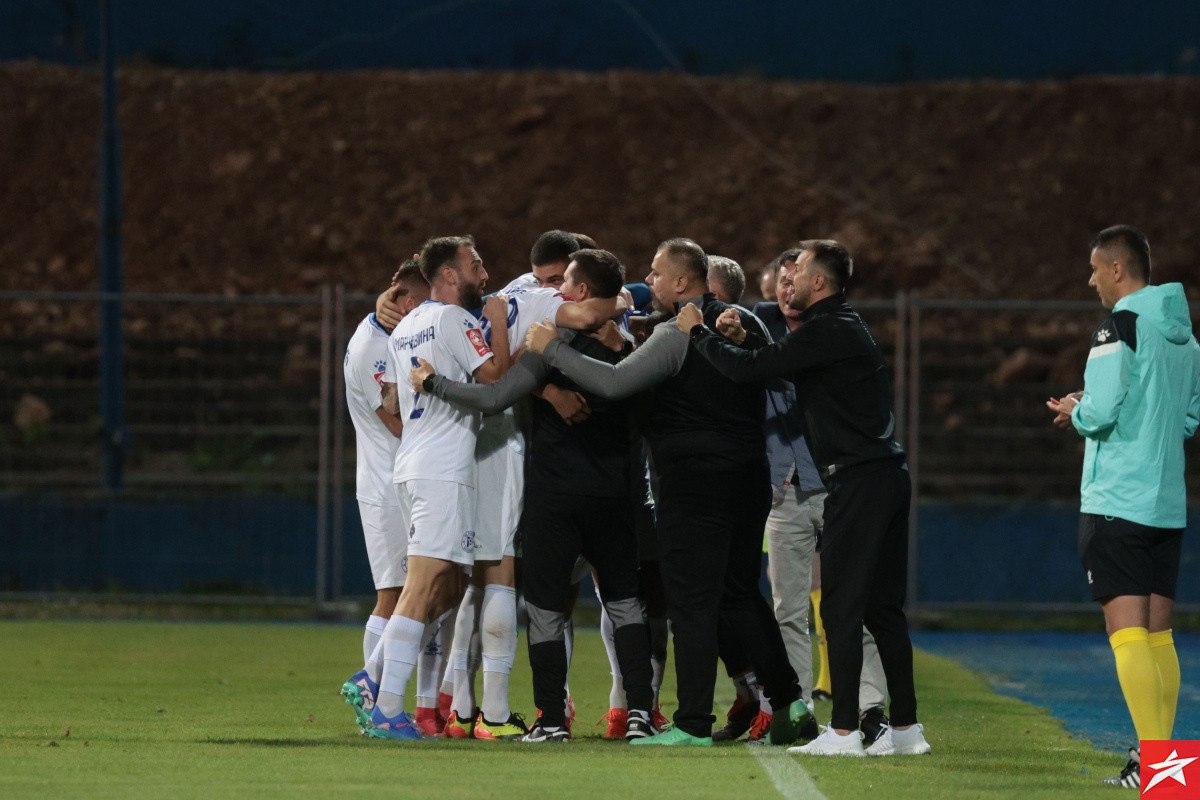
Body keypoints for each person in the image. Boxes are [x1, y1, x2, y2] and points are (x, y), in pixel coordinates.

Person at [525, 237, 811, 747]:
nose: (649, 281)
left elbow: (615, 384)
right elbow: (773, 373)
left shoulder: (678, 330)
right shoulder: (747, 322)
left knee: (692, 603)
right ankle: (790, 703)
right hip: (749, 480)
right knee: (740, 594)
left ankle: (692, 723)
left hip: (694, 485)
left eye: (657, 273)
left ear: (683, 282)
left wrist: (549, 353)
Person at [678, 239, 929, 757]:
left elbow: (754, 370)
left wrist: (698, 333)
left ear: (819, 283)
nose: (791, 277)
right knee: (882, 609)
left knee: (839, 605)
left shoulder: (828, 329)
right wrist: (744, 335)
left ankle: (842, 732)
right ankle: (905, 729)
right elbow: (777, 362)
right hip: (883, 474)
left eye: (801, 271)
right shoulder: (843, 327)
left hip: (856, 480)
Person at [413, 249, 657, 743]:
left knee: (545, 610)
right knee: (627, 606)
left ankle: (549, 720)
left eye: (565, 283)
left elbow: (493, 396)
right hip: (614, 497)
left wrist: (433, 383)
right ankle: (639, 713)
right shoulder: (635, 350)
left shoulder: (549, 346)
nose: (558, 292)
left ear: (582, 292)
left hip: (554, 501)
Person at [1047, 225, 1199, 789]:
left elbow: (1105, 410)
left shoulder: (1119, 326)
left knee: (1127, 635)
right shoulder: (1185, 337)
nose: (1090, 280)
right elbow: (1188, 417)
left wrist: (1077, 411)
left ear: (1117, 269)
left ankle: (1159, 768)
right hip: (1166, 502)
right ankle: (1166, 771)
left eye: (1094, 269)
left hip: (1116, 499)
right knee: (1159, 637)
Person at [364, 235, 508, 740]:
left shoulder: (407, 327)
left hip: (415, 464)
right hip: (442, 468)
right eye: (476, 264)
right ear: (448, 274)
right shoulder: (455, 319)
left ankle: (375, 681)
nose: (484, 273)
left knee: (447, 586)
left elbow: (393, 405)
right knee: (424, 586)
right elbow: (493, 381)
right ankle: (383, 707)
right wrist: (502, 325)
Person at [339, 261, 445, 733]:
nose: (429, 314)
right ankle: (376, 694)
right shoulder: (374, 348)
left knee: (428, 591)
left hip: (400, 478)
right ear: (401, 300)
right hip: (387, 484)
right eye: (422, 304)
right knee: (397, 594)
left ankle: (395, 700)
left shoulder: (390, 333)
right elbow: (396, 421)